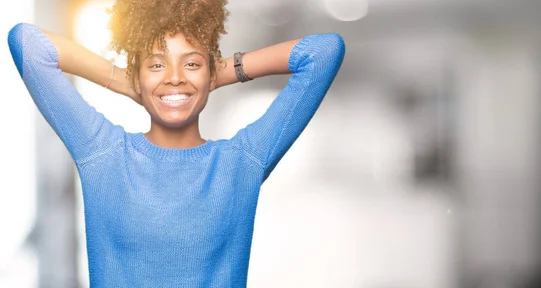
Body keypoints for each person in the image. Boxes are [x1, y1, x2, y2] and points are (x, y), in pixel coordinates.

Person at [8, 0, 344, 286]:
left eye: (191, 63)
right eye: (156, 64)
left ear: (209, 72)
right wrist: (125, 81)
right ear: (137, 75)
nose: (174, 76)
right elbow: (27, 43)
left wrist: (216, 74)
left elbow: (324, 51)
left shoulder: (241, 162)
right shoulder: (104, 154)